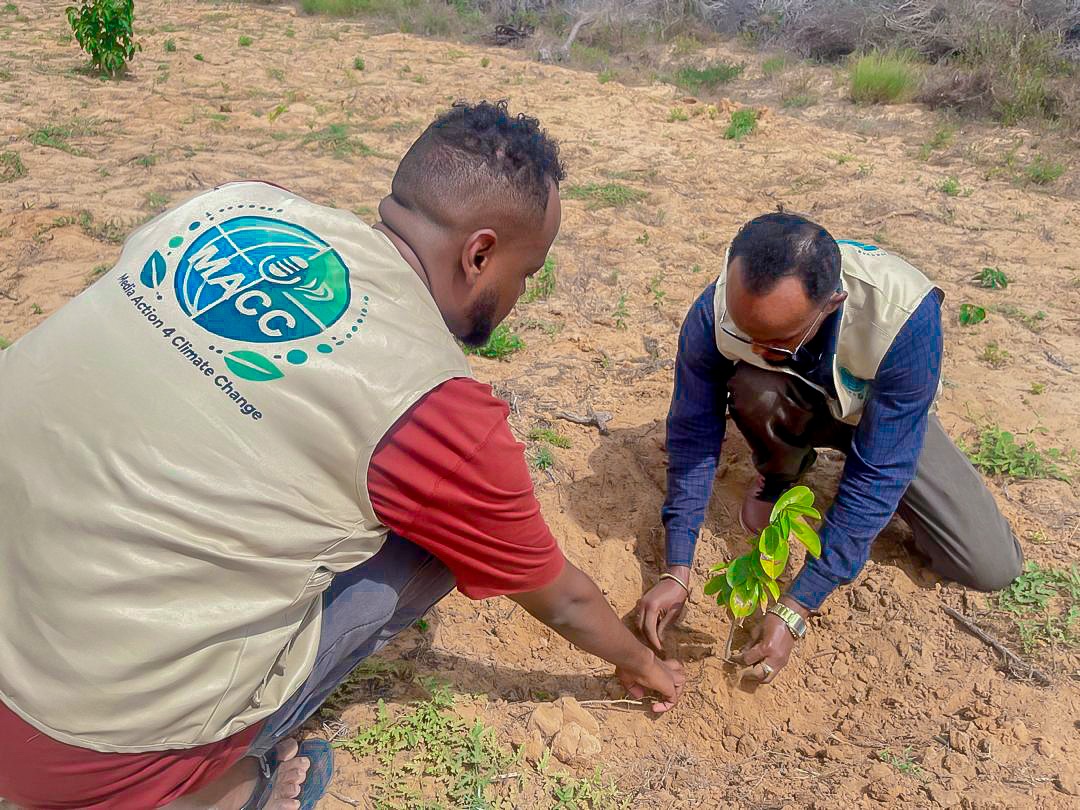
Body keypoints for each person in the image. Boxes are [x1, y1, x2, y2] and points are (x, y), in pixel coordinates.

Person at [0, 101, 683, 810]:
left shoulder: (230, 209)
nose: (520, 294)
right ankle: (220, 789)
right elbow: (563, 599)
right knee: (433, 547)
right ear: (479, 255)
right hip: (74, 751)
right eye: (527, 273)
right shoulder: (434, 408)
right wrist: (643, 662)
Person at [638, 212, 1022, 683]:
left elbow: (879, 472)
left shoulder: (903, 314)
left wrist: (797, 605)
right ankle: (780, 471)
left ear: (831, 305)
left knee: (989, 565)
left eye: (776, 342)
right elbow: (693, 431)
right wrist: (677, 566)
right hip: (789, 400)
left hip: (880, 418)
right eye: (745, 334)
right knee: (756, 384)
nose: (755, 347)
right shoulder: (717, 307)